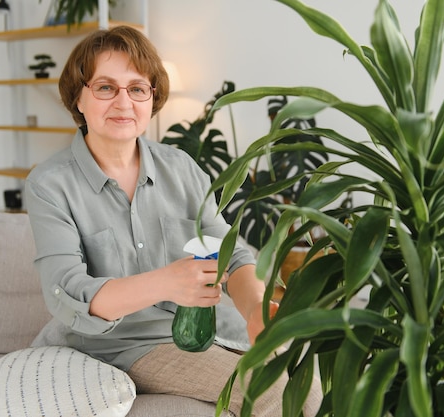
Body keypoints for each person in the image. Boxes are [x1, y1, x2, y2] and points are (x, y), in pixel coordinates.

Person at [25, 25, 320, 416]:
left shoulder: (180, 167)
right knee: (269, 390)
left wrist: (255, 311)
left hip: (205, 332)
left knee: (307, 374)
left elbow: (228, 254)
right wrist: (165, 283)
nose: (123, 102)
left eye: (137, 88)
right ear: (78, 98)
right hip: (120, 345)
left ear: (152, 98)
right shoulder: (49, 185)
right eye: (105, 87)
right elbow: (67, 292)